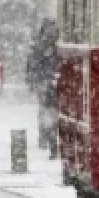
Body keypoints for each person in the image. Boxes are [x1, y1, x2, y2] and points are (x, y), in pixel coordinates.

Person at [27, 19, 59, 158]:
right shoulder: (55, 43)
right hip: (54, 81)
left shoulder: (39, 44)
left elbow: (32, 63)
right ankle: (50, 139)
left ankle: (46, 137)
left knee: (46, 111)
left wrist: (33, 80)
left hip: (45, 82)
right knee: (52, 112)